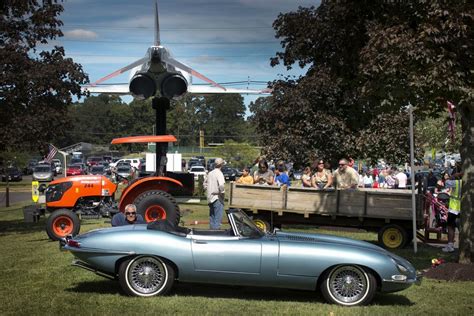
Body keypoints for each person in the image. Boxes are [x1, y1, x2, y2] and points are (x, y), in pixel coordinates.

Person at [442, 174, 462, 253]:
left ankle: (450, 245)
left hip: (454, 209)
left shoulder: (456, 183)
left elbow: (446, 183)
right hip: (464, 209)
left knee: (450, 227)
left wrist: (452, 176)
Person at [204, 157, 225, 229]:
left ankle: (211, 234)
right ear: (221, 165)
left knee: (212, 219)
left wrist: (209, 190)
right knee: (217, 220)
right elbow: (221, 185)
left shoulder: (210, 173)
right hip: (217, 197)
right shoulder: (219, 173)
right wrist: (222, 193)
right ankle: (216, 235)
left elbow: (204, 184)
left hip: (210, 197)